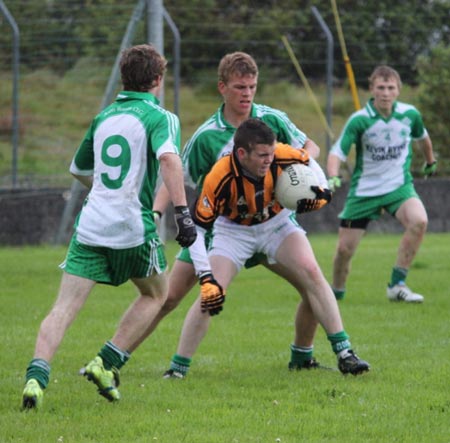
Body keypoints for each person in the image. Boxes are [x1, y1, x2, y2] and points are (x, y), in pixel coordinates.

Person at [21, 44, 197, 410]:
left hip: (91, 225)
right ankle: (106, 362)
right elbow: (168, 159)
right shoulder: (161, 117)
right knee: (156, 294)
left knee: (64, 307)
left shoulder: (103, 118)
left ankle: (36, 380)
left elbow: (78, 169)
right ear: (158, 80)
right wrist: (182, 212)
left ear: (124, 78)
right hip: (133, 226)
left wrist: (104, 193)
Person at [130, 52, 327, 376]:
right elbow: (175, 173)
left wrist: (297, 171)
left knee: (313, 287)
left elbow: (310, 147)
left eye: (251, 86)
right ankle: (113, 360)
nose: (247, 93)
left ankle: (302, 357)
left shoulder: (270, 120)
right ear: (222, 88)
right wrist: (155, 212)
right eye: (239, 87)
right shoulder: (208, 135)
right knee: (168, 297)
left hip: (268, 225)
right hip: (221, 231)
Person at [166, 118, 370, 377]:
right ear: (241, 154)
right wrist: (205, 276)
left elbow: (309, 162)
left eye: (272, 154)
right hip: (233, 231)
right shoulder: (219, 176)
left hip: (276, 223)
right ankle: (177, 369)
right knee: (211, 295)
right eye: (262, 155)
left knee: (312, 273)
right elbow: (199, 230)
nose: (269, 160)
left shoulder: (280, 154)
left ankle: (345, 354)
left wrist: (323, 194)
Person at [327, 65, 437, 303]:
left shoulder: (410, 115)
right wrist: (333, 175)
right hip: (364, 191)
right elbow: (337, 152)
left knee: (419, 221)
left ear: (398, 90)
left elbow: (423, 138)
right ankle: (335, 292)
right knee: (344, 250)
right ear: (372, 89)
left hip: (399, 187)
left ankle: (397, 284)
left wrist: (430, 161)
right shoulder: (359, 120)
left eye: (390, 87)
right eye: (381, 87)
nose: (385, 92)